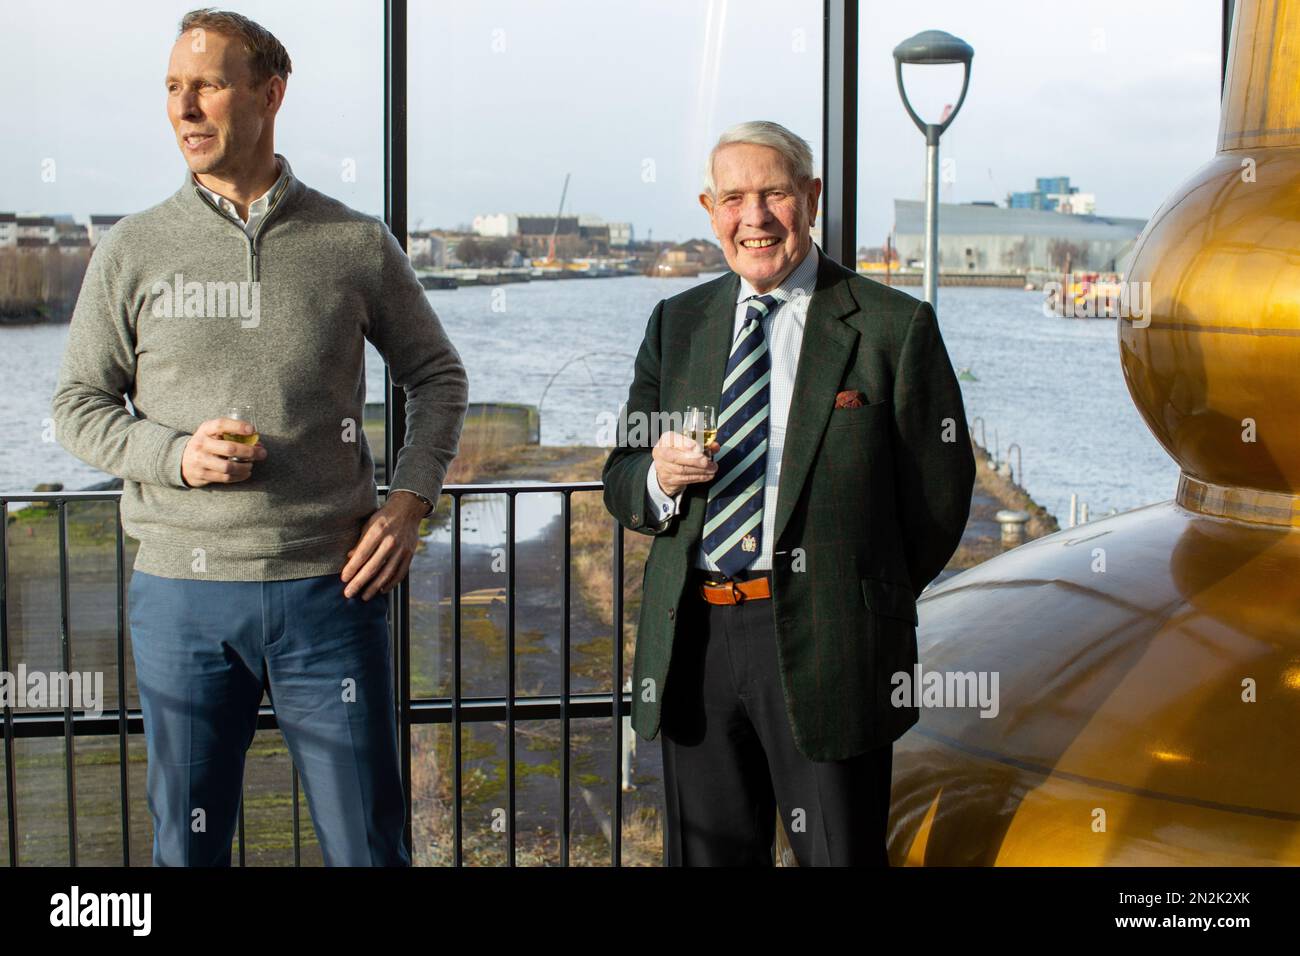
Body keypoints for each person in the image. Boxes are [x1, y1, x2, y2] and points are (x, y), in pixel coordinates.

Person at [50, 8, 468, 866]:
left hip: (332, 594)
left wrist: (408, 501)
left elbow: (438, 377)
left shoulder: (353, 241)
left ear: (270, 94)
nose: (184, 108)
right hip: (179, 598)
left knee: (368, 848)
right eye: (172, 88)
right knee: (186, 849)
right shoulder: (130, 249)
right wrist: (175, 455)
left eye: (206, 84)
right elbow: (78, 406)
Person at [602, 120, 974, 866]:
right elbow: (621, 477)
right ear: (711, 211)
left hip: (832, 644)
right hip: (696, 646)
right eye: (734, 198)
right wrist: (659, 478)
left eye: (774, 193)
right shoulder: (677, 325)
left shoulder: (893, 328)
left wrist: (865, 594)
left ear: (811, 197)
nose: (756, 217)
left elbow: (941, 494)